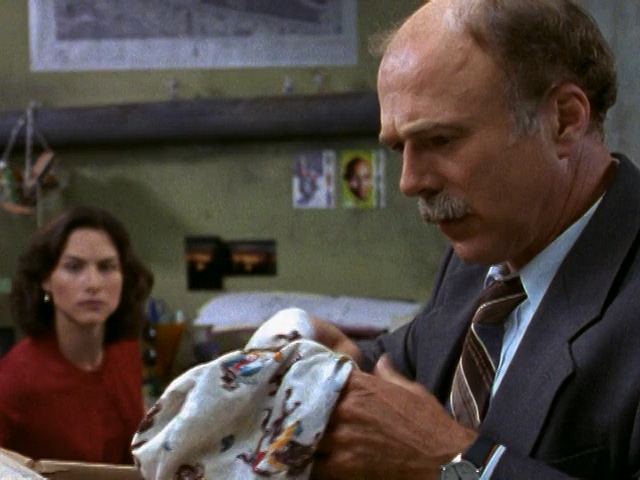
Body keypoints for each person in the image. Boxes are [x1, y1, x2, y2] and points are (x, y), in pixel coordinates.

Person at [308, 0, 640, 479]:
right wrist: (333, 360)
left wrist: (454, 464)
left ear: (564, 121)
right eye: (400, 148)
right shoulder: (483, 254)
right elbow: (405, 360)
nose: (410, 182)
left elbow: (429, 443)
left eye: (440, 140)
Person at [0, 206, 154, 464]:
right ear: (46, 279)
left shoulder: (125, 351)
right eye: (73, 267)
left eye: (106, 267)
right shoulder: (16, 377)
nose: (93, 283)